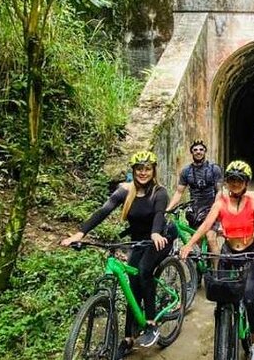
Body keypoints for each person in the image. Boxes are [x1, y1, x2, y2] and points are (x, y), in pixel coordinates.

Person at [61, 150, 177, 359]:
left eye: (147, 169)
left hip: (160, 238)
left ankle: (151, 323)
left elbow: (159, 214)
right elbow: (103, 211)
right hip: (138, 240)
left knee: (143, 271)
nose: (143, 172)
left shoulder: (159, 192)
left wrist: (156, 232)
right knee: (132, 286)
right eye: (139, 169)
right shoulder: (125, 191)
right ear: (133, 171)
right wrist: (80, 233)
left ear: (153, 171)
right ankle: (128, 338)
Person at [180, 160, 254, 360]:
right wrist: (189, 245)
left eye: (239, 180)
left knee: (249, 299)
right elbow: (207, 225)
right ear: (227, 182)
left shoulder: (253, 203)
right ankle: (223, 328)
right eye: (231, 180)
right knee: (222, 297)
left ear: (246, 183)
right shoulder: (220, 203)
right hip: (228, 254)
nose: (235, 184)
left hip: (250, 254)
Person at [167, 139, 223, 255]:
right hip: (195, 211)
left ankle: (216, 271)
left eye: (201, 149)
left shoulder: (214, 169)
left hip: (210, 208)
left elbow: (219, 191)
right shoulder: (186, 172)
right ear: (191, 153)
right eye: (195, 150)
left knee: (210, 238)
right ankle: (199, 272)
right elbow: (179, 192)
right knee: (196, 243)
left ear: (205, 152)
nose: (198, 152)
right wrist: (168, 209)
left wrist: (216, 208)